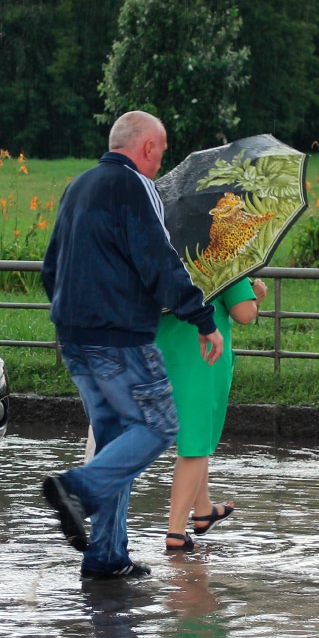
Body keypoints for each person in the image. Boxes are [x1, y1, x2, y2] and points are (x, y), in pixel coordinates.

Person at [40, 111, 222, 579]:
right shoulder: (137, 186)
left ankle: (105, 555)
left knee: (115, 441)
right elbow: (158, 260)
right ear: (147, 148)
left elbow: (51, 266)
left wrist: (72, 313)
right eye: (161, 152)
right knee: (159, 426)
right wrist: (202, 318)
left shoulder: (78, 186)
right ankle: (77, 490)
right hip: (119, 338)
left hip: (75, 338)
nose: (161, 162)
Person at [156, 277, 268, 551]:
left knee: (196, 438)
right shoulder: (218, 255)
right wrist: (255, 295)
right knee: (195, 443)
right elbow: (243, 312)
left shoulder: (161, 247)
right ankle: (176, 531)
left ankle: (203, 508)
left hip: (158, 349)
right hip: (203, 355)